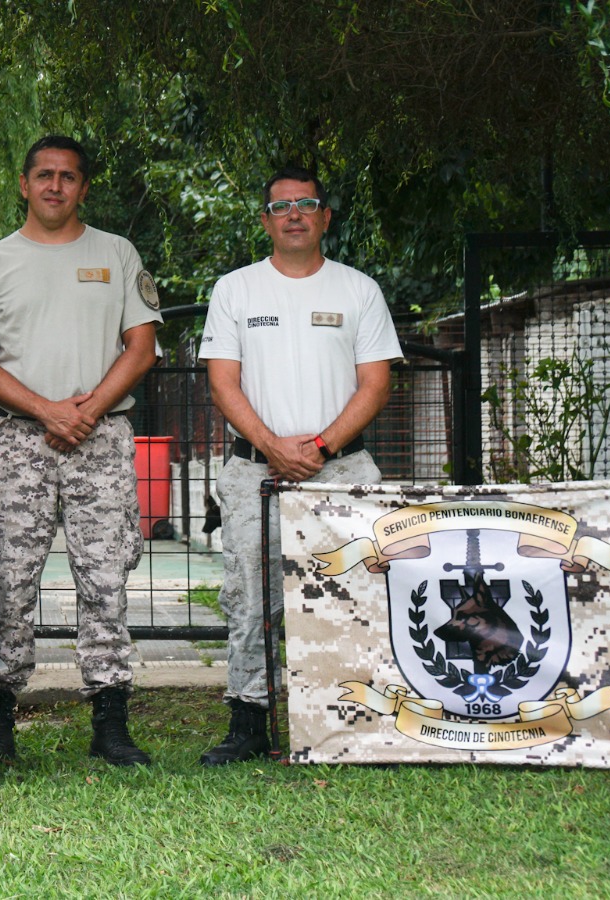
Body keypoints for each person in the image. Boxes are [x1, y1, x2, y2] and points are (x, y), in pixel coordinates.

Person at [0, 135, 161, 767]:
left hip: (101, 437)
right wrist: (48, 411)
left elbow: (142, 346)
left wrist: (87, 411)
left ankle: (110, 718)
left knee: (105, 580)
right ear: (23, 184)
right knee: (11, 581)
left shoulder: (117, 254)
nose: (54, 186)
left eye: (68, 177)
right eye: (43, 175)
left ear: (83, 187)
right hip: (20, 440)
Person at [198, 166, 402, 765]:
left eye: (306, 204)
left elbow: (376, 384)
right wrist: (272, 447)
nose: (294, 214)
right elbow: (222, 383)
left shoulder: (358, 290)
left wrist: (318, 447)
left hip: (340, 470)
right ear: (265, 221)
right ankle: (249, 721)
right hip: (254, 471)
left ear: (325, 218)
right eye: (281, 207)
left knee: (353, 593)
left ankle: (351, 720)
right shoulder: (235, 290)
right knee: (249, 597)